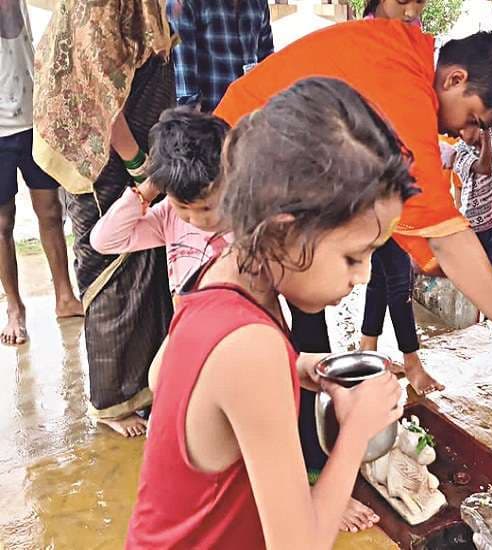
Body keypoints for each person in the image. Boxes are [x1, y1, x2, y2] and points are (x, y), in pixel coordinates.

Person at [214, 22, 492, 410]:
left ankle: (303, 435)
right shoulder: (404, 84)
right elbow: (443, 236)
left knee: (284, 335)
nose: (467, 135)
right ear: (455, 78)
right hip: (230, 176)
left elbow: (434, 237)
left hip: (256, 174)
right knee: (248, 330)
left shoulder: (402, 56)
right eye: (473, 120)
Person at [126, 77, 410, 550]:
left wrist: (295, 368)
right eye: (353, 257)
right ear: (285, 231)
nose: (362, 278)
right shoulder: (250, 346)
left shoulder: (217, 278)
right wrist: (356, 430)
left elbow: (163, 376)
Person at [33, 0, 175, 437]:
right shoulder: (102, 6)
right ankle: (111, 401)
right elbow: (101, 93)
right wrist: (136, 163)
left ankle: (142, 385)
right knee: (112, 270)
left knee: (143, 263)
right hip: (103, 157)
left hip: (128, 146)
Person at [357, 0, 442, 397]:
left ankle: (367, 348)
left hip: (394, 173)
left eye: (419, 2)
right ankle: (411, 361)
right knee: (398, 276)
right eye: (403, 1)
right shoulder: (369, 40)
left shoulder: (407, 36)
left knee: (383, 272)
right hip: (377, 181)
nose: (412, 10)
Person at [0, 0, 83, 345]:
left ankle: (64, 296)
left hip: (35, 119)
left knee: (51, 212)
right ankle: (14, 308)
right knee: (2, 223)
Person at [90, 108, 230, 295]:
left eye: (206, 208)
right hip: (189, 321)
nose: (196, 219)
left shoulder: (248, 217)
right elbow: (104, 241)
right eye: (183, 208)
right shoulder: (168, 216)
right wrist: (147, 190)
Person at [166, 0, 274, 112]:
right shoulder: (185, 3)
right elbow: (183, 68)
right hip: (211, 114)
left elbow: (267, 61)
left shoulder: (259, 3)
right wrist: (190, 117)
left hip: (251, 112)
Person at [450, 127, 492, 281]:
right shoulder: (460, 152)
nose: (480, 131)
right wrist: (487, 135)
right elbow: (485, 168)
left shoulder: (487, 140)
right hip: (474, 226)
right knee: (478, 277)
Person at [362, 0, 426, 26]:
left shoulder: (414, 24)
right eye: (402, 1)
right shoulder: (365, 31)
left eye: (420, 1)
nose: (412, 13)